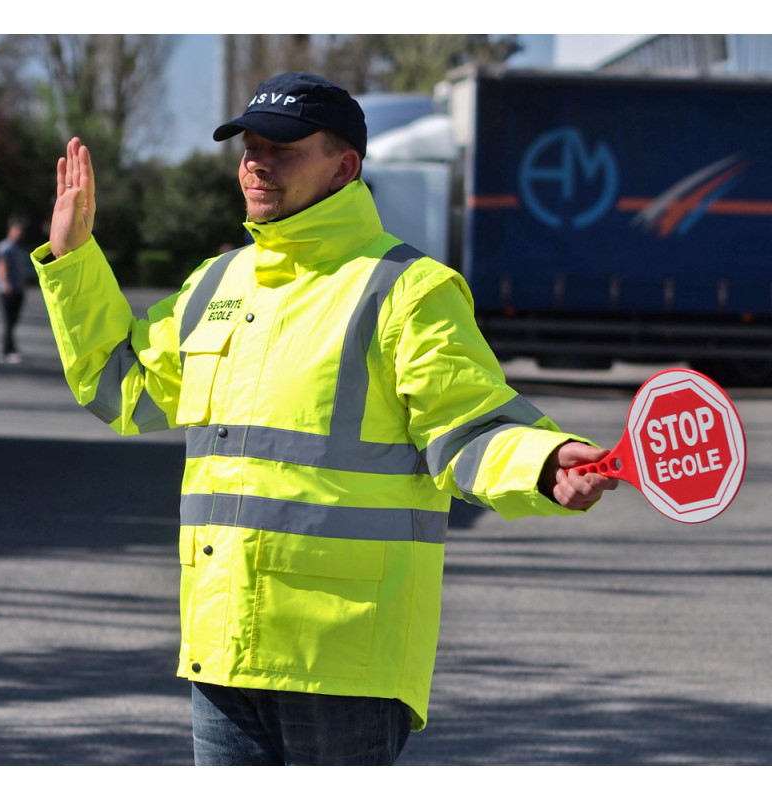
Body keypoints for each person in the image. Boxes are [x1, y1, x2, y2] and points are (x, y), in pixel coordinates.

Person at [31, 72, 618, 765]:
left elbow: (470, 424)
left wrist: (544, 464)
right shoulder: (217, 283)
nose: (257, 162)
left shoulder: (406, 290)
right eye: (249, 145)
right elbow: (120, 384)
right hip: (222, 656)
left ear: (344, 167)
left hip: (343, 663)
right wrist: (74, 259)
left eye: (282, 147)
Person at [0, 215, 32, 363]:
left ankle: (9, 349)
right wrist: (6, 283)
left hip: (19, 289)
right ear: (10, 230)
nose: (19, 233)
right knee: (9, 321)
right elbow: (1, 266)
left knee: (13, 321)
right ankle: (6, 350)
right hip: (8, 290)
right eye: (17, 230)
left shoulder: (20, 248)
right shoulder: (5, 247)